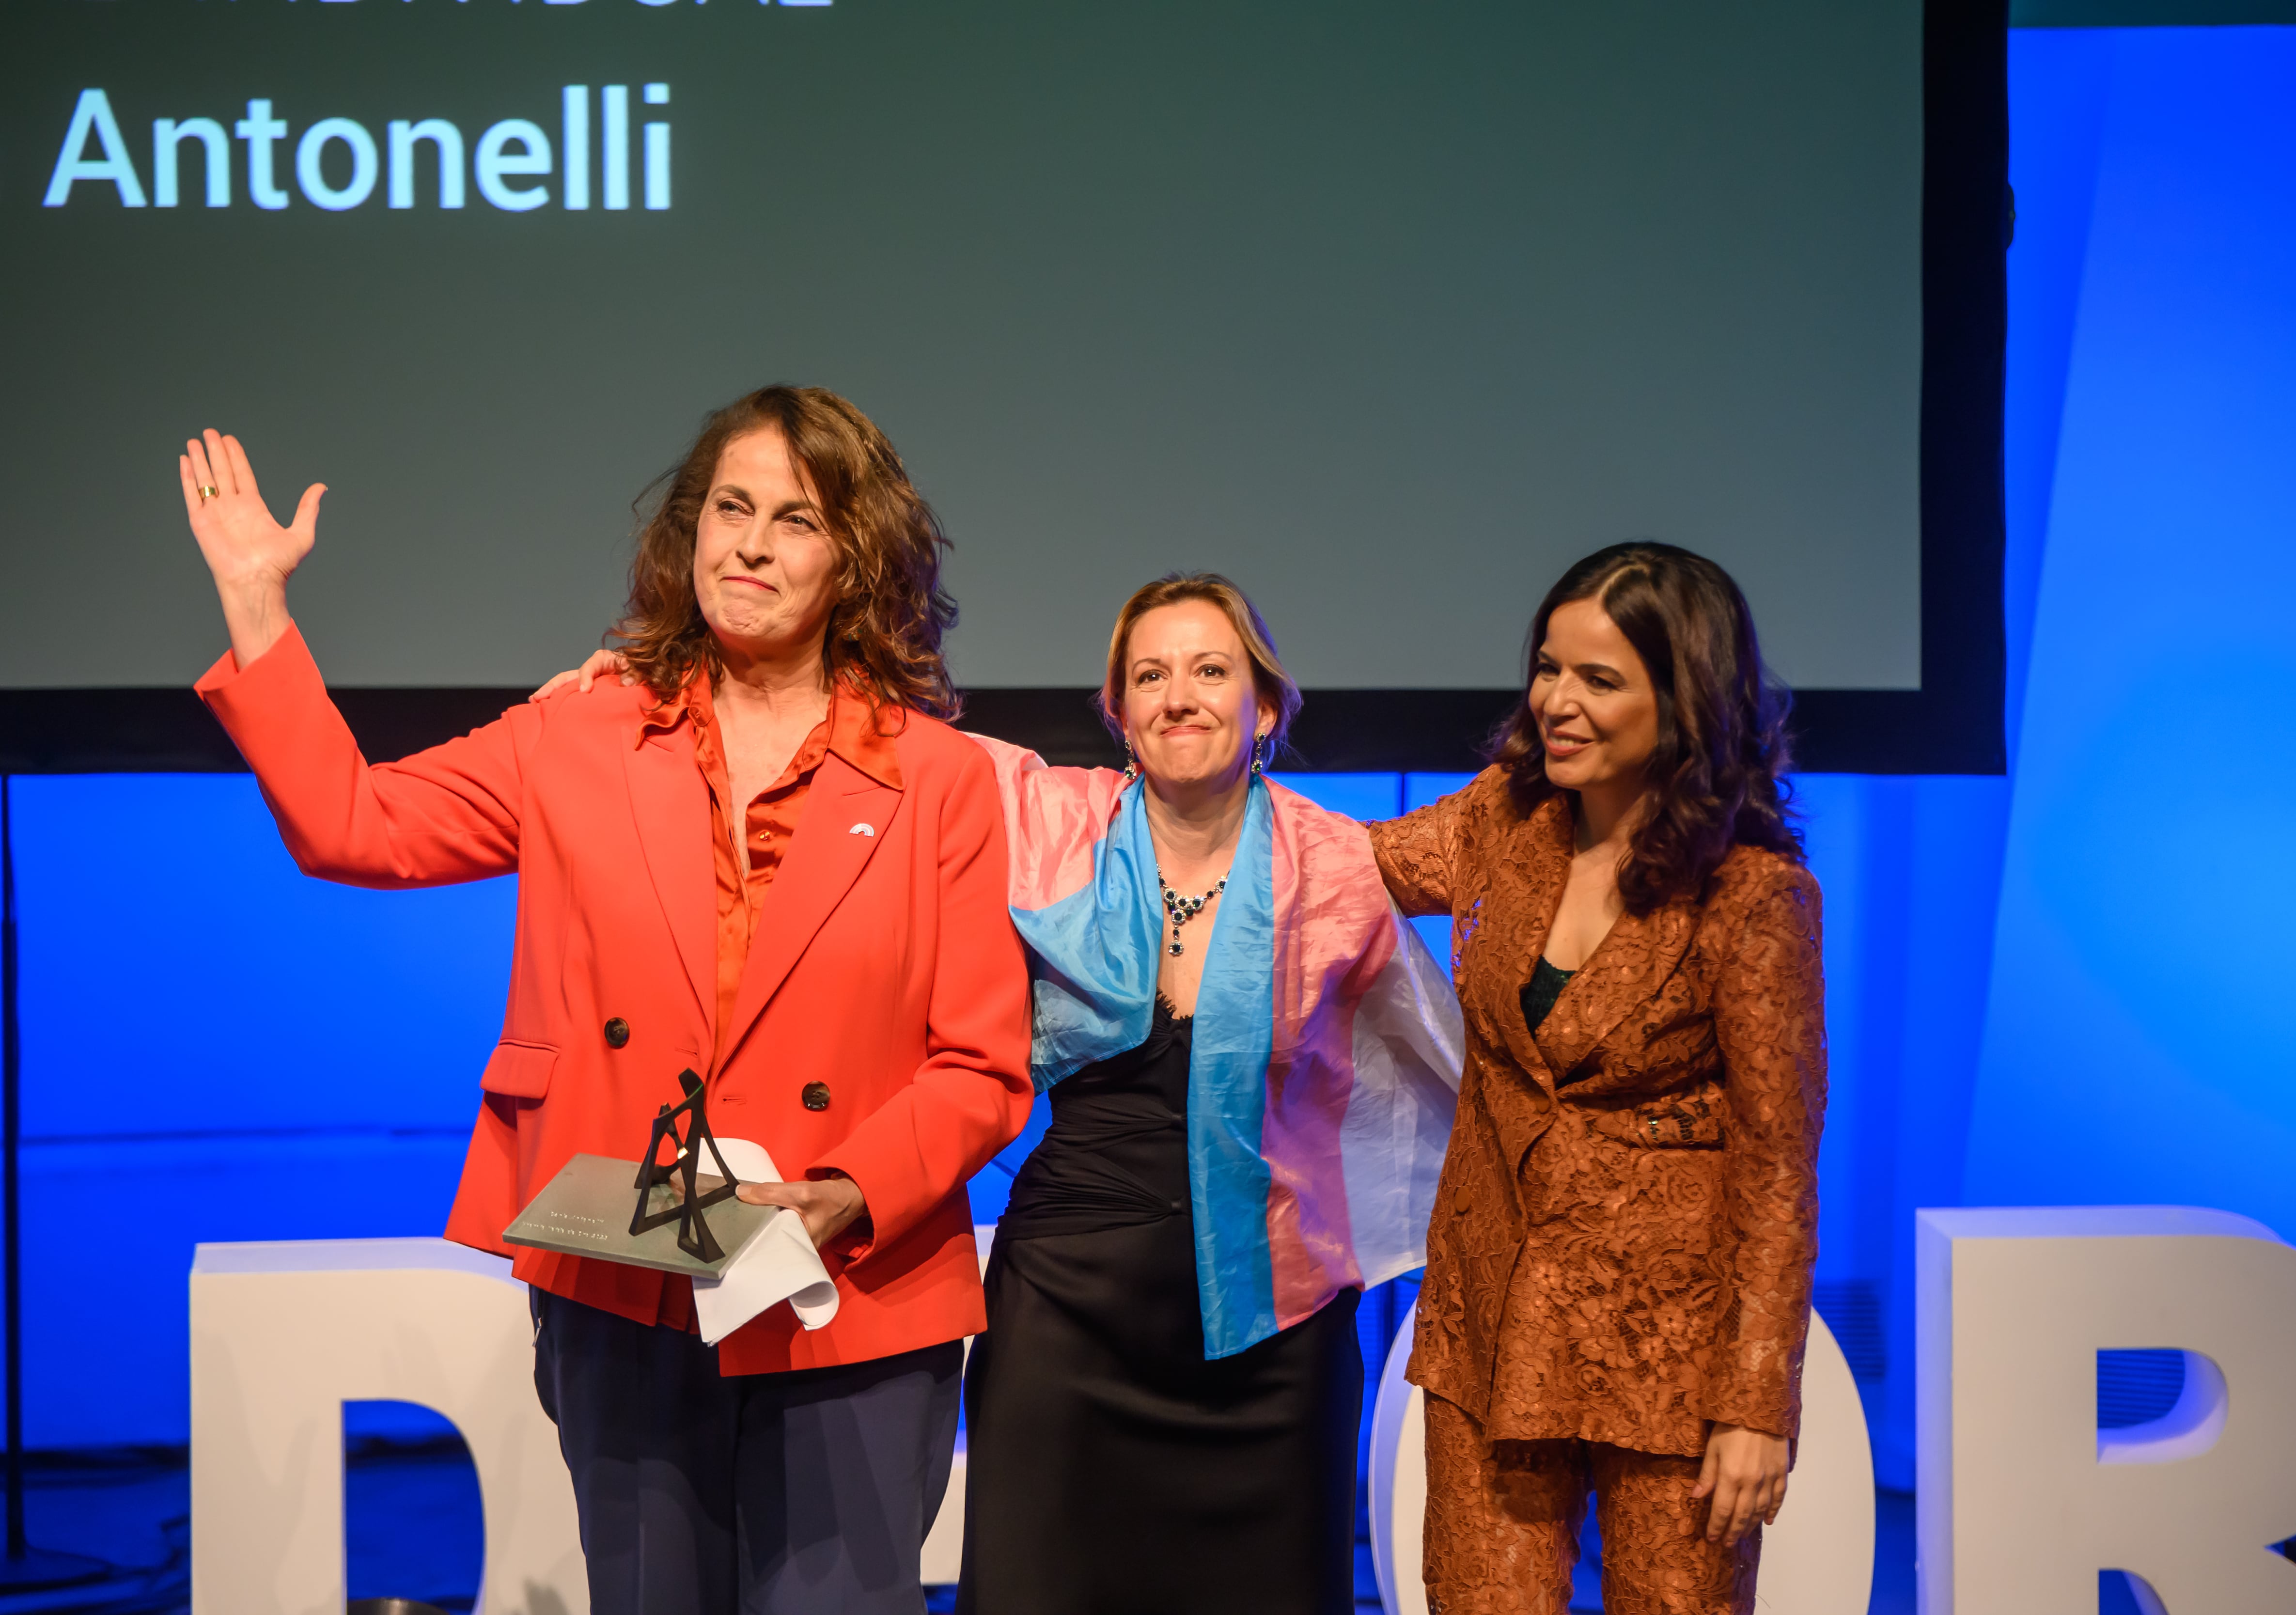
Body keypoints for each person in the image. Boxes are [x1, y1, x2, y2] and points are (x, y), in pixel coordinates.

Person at [178, 387, 1033, 1615]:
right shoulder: (576, 731)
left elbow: (982, 1063)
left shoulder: (940, 779)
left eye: (794, 520)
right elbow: (351, 822)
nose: (748, 543)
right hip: (632, 1277)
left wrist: (850, 1186)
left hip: (851, 1288)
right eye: (729, 508)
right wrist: (258, 605)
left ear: (856, 559)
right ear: (687, 532)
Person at [556, 572, 1465, 1611]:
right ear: (1117, 712)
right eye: (1149, 675)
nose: (1180, 696)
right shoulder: (1040, 813)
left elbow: (1431, 1056)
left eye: (1211, 670)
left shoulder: (1339, 863)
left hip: (1274, 1340)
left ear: (1266, 704)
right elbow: (842, 723)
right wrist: (652, 686)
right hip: (1066, 1320)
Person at [1366, 542, 1825, 1615]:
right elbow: (1342, 866)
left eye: (1598, 679)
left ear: (1685, 699)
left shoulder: (1753, 897)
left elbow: (1778, 1167)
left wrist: (1756, 1400)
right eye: (1546, 667)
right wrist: (1187, 788)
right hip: (1488, 1328)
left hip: (1666, 1356)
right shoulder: (1498, 822)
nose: (1555, 702)